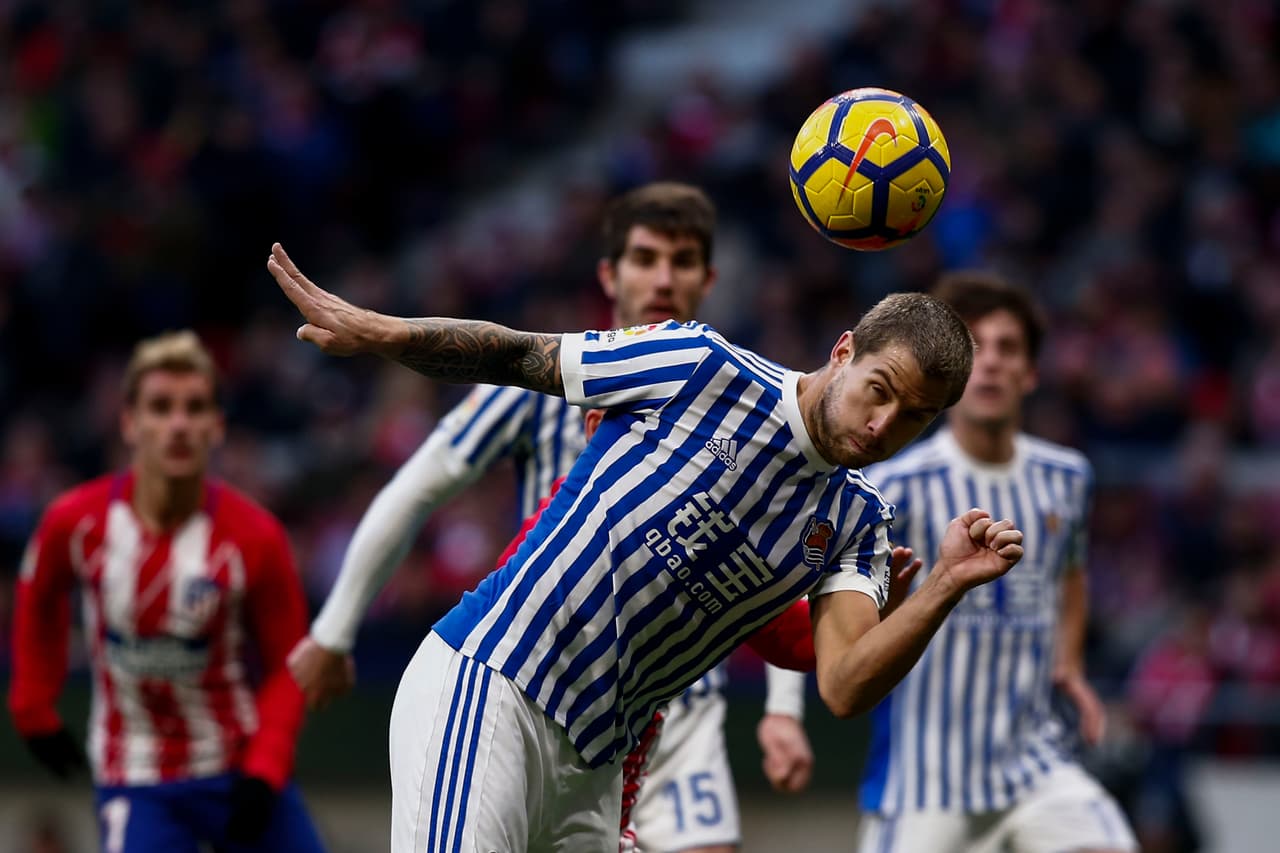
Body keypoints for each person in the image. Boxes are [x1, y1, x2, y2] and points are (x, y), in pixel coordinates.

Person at [267, 240, 1026, 852]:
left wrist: (942, 587)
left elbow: (843, 684)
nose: (883, 425)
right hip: (497, 682)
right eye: (880, 389)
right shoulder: (701, 366)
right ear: (844, 349)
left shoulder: (858, 522)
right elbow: (516, 355)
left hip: (595, 766)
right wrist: (379, 332)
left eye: (915, 417)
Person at [285, 182, 812, 852]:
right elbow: (414, 489)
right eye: (645, 258)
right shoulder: (536, 389)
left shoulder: (734, 406)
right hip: (547, 675)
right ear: (608, 273)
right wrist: (334, 630)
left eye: (681, 262)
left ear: (709, 279)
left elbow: (771, 571)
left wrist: (783, 709)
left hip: (674, 711)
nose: (662, 277)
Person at [7, 331, 326, 853]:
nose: (178, 424)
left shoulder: (257, 537)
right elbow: (38, 601)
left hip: (239, 769)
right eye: (160, 407)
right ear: (130, 423)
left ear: (216, 426)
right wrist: (32, 705)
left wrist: (266, 767)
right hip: (136, 777)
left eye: (195, 408)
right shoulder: (75, 524)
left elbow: (290, 667)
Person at [855, 272, 1137, 853]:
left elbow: (1071, 571)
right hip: (926, 778)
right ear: (953, 374)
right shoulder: (892, 486)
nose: (990, 364)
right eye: (974, 349)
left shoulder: (1067, 478)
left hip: (1035, 765)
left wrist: (1070, 664)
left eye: (1008, 349)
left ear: (1030, 373)